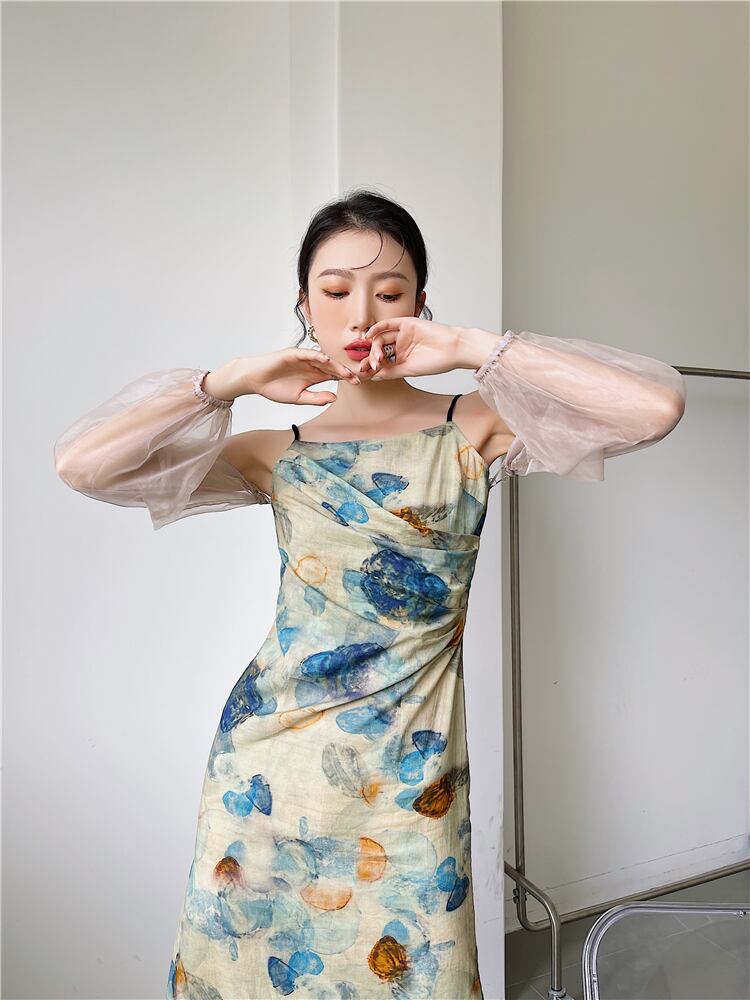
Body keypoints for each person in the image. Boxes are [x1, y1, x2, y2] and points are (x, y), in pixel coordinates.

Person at [53, 190, 687, 1000]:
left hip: (411, 783)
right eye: (335, 290)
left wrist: (473, 348)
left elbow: (654, 408)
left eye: (389, 292)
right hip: (269, 769)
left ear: (419, 303)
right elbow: (85, 467)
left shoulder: (473, 425)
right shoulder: (274, 450)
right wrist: (227, 382)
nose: (361, 314)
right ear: (304, 306)